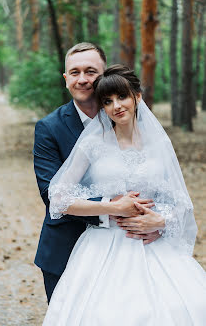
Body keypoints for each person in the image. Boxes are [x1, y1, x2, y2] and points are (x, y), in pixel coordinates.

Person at [43, 65, 206, 325]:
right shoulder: (93, 144)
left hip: (152, 244)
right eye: (107, 101)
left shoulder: (159, 145)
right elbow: (59, 199)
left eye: (122, 97)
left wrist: (159, 222)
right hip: (103, 246)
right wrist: (113, 207)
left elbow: (181, 203)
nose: (116, 106)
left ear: (137, 97)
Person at [33, 43, 160, 304]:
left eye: (90, 71)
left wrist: (159, 223)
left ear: (103, 76)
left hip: (134, 247)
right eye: (75, 72)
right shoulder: (48, 128)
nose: (82, 79)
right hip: (66, 249)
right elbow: (51, 194)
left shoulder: (137, 125)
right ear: (66, 79)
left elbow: (161, 188)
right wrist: (113, 207)